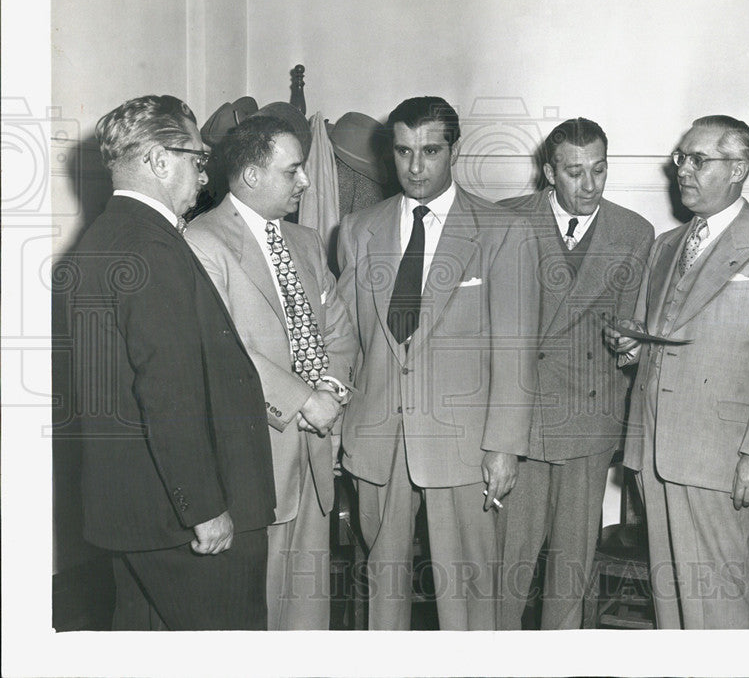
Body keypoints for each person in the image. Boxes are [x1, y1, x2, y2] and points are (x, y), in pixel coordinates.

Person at [70, 95, 275, 629]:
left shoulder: (101, 239)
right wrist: (204, 508)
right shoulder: (151, 247)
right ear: (160, 162)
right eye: (197, 158)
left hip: (133, 514)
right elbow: (168, 393)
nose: (205, 176)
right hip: (180, 521)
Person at [335, 96, 539, 630]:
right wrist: (337, 425)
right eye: (403, 151)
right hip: (377, 439)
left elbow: (516, 350)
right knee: (383, 588)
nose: (416, 166)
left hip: (464, 446)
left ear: (454, 149)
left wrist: (504, 446)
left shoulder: (502, 232)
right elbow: (347, 339)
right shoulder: (358, 229)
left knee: (469, 594)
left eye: (430, 151)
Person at [607, 115, 749, 628]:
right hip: (654, 451)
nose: (684, 170)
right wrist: (630, 344)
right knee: (671, 606)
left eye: (699, 159)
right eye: (682, 158)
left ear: (739, 168)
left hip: (721, 459)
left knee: (721, 605)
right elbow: (653, 337)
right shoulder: (665, 245)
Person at [186, 115, 357, 630]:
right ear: (253, 176)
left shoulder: (303, 241)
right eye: (294, 170)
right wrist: (302, 400)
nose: (305, 182)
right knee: (256, 611)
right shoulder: (201, 241)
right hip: (255, 455)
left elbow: (339, 327)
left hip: (314, 447)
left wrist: (329, 389)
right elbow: (223, 351)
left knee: (307, 609)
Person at [496, 117, 653, 629]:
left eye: (600, 171)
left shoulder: (633, 232)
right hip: (519, 419)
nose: (590, 187)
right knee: (505, 572)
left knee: (571, 572)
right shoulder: (505, 220)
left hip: (588, 422)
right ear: (549, 172)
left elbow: (633, 341)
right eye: (575, 173)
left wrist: (631, 345)